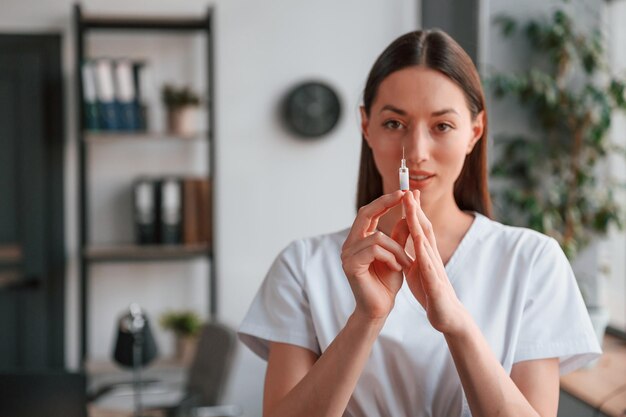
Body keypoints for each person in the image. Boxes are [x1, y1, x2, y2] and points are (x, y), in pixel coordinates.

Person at [238, 29, 601, 417]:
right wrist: (366, 319)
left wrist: (457, 324)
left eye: (442, 126)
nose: (415, 152)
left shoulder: (532, 261)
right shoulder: (302, 265)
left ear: (474, 132)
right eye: (395, 124)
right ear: (366, 127)